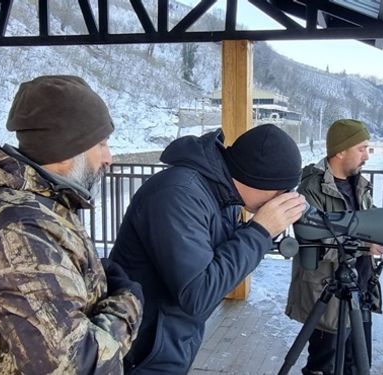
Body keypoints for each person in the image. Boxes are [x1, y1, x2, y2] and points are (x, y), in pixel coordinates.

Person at [0, 75, 144, 374]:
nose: (108, 158)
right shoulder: (19, 229)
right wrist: (127, 304)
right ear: (69, 147)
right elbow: (75, 366)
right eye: (101, 143)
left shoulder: (35, 205)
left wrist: (86, 279)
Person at [109, 124, 307, 374]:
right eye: (283, 191)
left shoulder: (222, 194)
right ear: (262, 181)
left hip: (168, 340)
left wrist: (255, 233)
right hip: (141, 349)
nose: (283, 198)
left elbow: (218, 270)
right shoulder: (178, 194)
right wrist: (259, 232)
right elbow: (198, 294)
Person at [285, 119, 383, 375]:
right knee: (324, 366)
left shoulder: (358, 184)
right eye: (361, 148)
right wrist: (366, 242)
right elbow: (312, 243)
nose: (366, 155)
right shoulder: (311, 189)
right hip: (327, 293)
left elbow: (368, 219)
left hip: (359, 287)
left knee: (357, 363)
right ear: (340, 150)